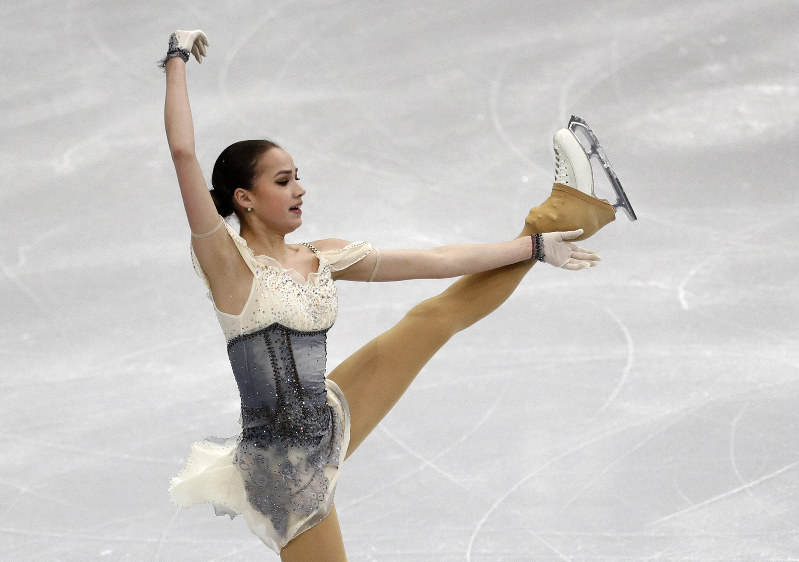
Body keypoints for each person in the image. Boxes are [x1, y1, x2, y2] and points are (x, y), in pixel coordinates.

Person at [161, 30, 618, 561]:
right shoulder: (228, 266)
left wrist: (534, 245)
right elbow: (181, 152)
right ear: (245, 199)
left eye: (298, 177)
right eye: (284, 181)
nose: (300, 189)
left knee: (432, 317)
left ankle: (559, 213)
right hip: (285, 471)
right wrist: (175, 57)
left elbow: (437, 262)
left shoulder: (320, 255)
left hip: (326, 414)